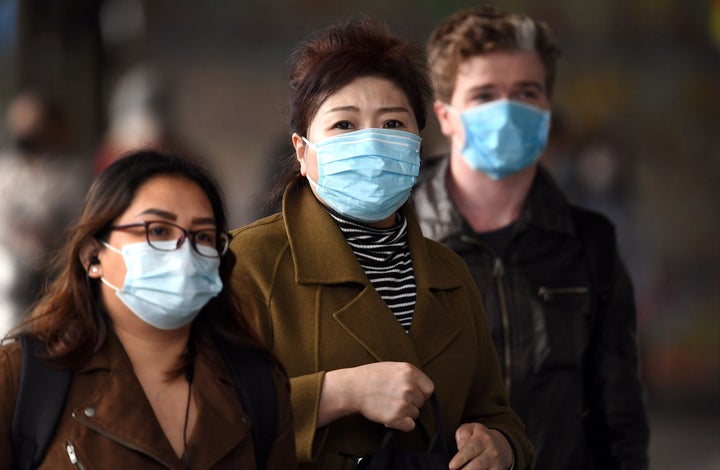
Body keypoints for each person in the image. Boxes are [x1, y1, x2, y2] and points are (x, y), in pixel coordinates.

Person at [230, 18, 532, 470]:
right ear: (302, 151)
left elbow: (496, 414)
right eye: (344, 125)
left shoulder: (449, 273)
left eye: (392, 122)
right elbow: (207, 416)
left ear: (416, 146)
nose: (370, 141)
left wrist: (500, 447)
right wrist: (341, 392)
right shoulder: (249, 263)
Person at [412, 6, 649, 469]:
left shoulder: (589, 243)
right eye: (484, 95)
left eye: (526, 92)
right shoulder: (399, 232)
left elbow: (618, 420)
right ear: (445, 115)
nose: (508, 111)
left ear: (546, 109)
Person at [0, 150, 297, 468]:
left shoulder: (257, 385)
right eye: (157, 231)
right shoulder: (24, 377)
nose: (184, 253)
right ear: (93, 257)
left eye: (203, 236)